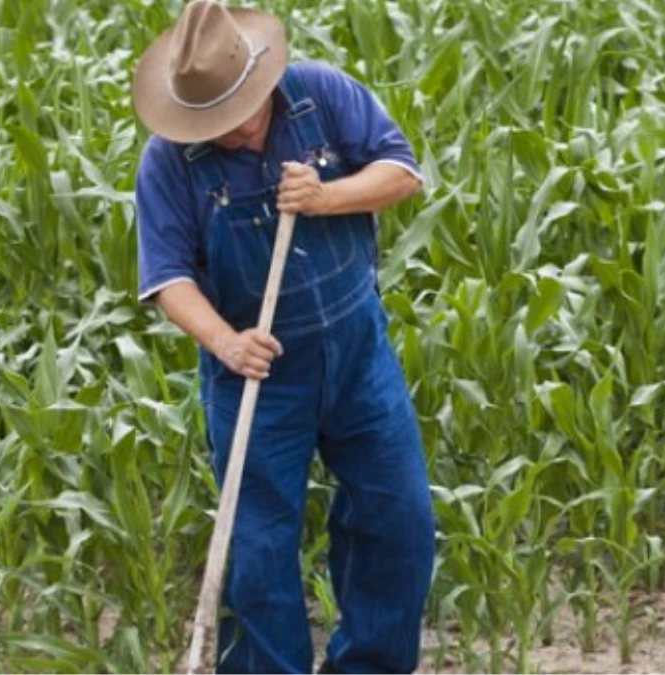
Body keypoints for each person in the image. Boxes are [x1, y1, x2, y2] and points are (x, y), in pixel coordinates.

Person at [129, 2, 436, 673]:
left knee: (400, 518)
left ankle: (370, 665)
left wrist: (328, 195)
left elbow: (403, 172)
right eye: (213, 120)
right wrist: (225, 342)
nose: (233, 130)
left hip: (358, 352)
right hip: (256, 374)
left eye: (238, 110)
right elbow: (168, 278)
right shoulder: (170, 162)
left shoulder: (321, 94)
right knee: (259, 549)